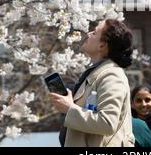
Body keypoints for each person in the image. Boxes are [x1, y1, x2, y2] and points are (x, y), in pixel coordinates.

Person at [50, 19, 135, 147]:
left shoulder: (112, 75)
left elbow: (107, 123)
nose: (89, 34)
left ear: (103, 45)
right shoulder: (97, 72)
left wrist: (69, 108)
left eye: (95, 33)